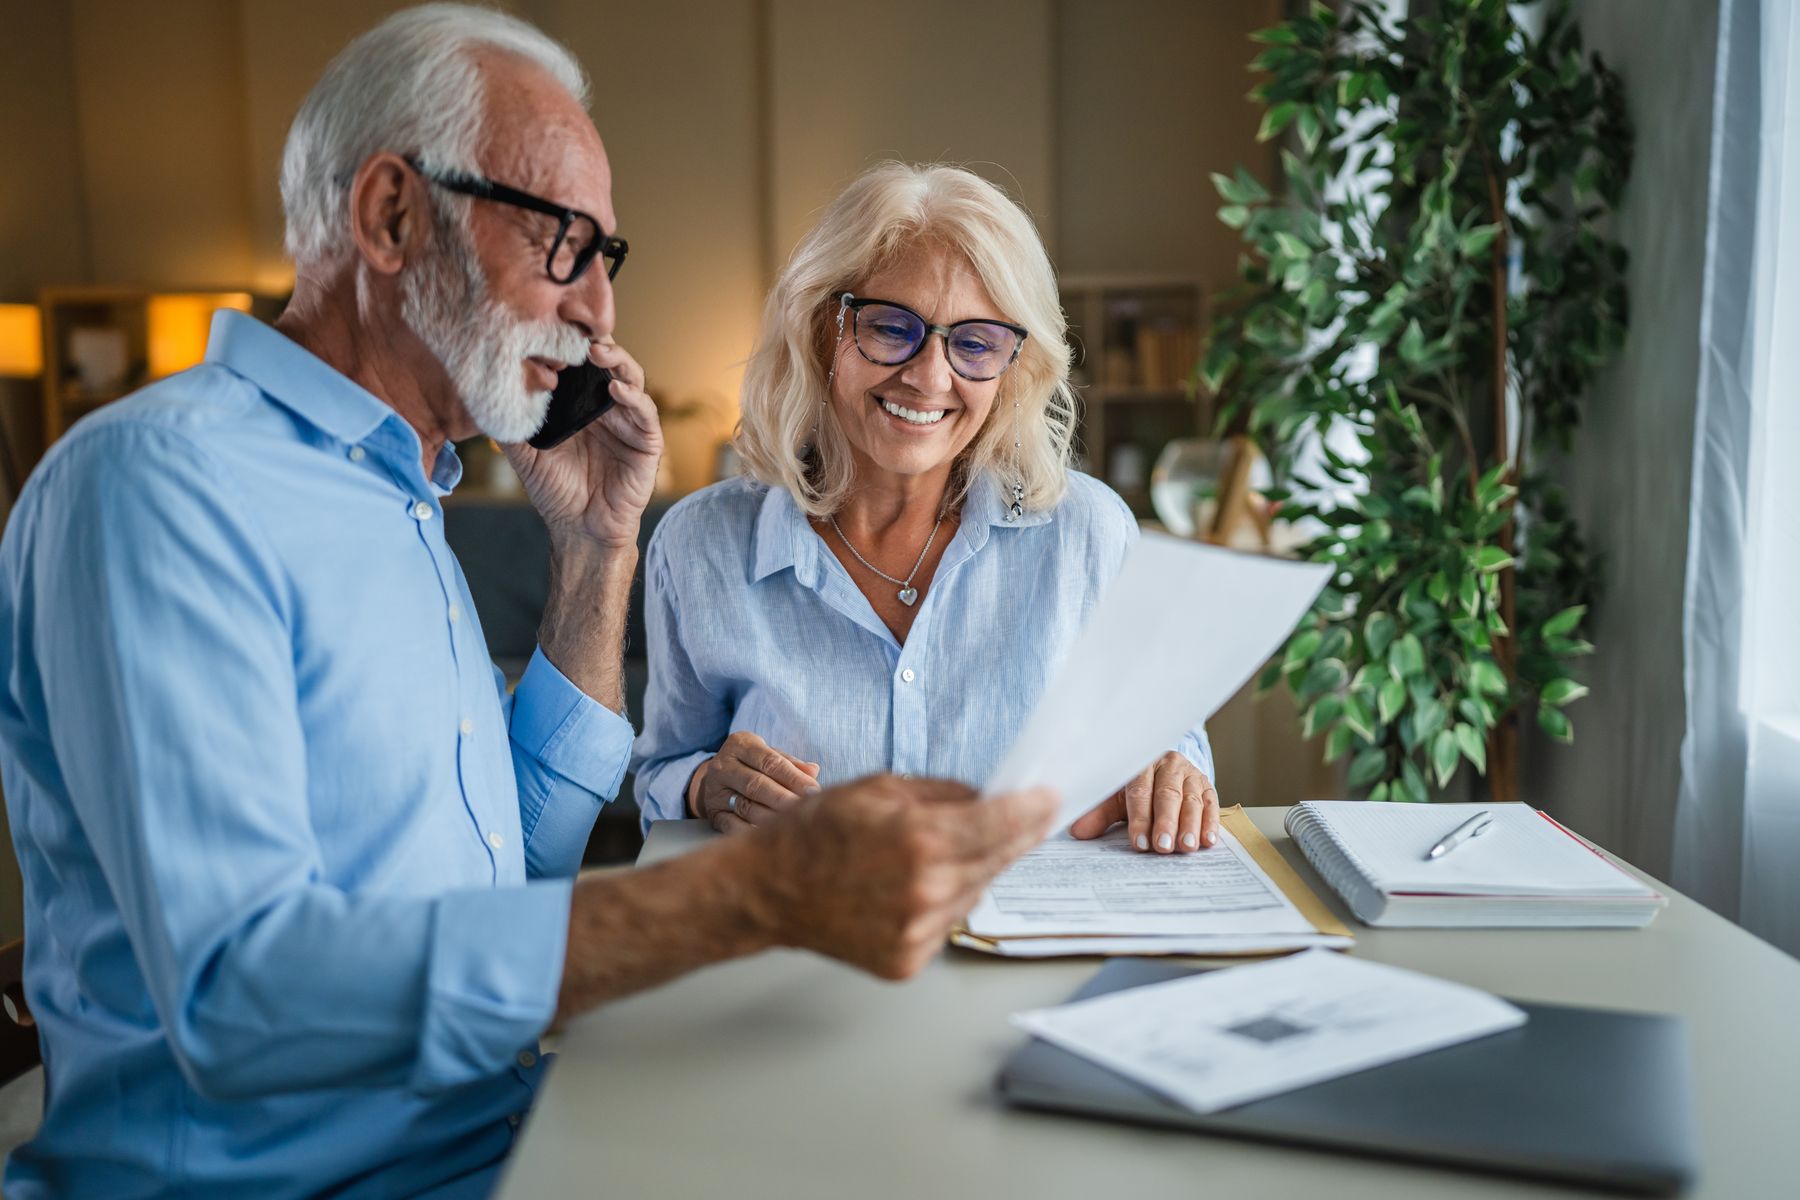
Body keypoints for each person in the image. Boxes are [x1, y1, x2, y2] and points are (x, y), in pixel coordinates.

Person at [0, 8, 1054, 1198]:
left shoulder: (399, 493)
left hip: (507, 1127)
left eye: (610, 258)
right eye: (564, 242)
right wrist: (746, 896)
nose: (600, 311)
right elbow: (238, 996)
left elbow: (516, 864)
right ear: (393, 216)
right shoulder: (164, 486)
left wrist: (597, 551)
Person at [632, 163, 1221, 854]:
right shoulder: (701, 543)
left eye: (975, 343)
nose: (929, 377)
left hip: (1034, 952)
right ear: (823, 328)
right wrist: (704, 784)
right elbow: (660, 775)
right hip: (803, 951)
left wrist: (1171, 775)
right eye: (890, 328)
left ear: (1011, 366)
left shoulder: (1088, 533)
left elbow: (1173, 748)